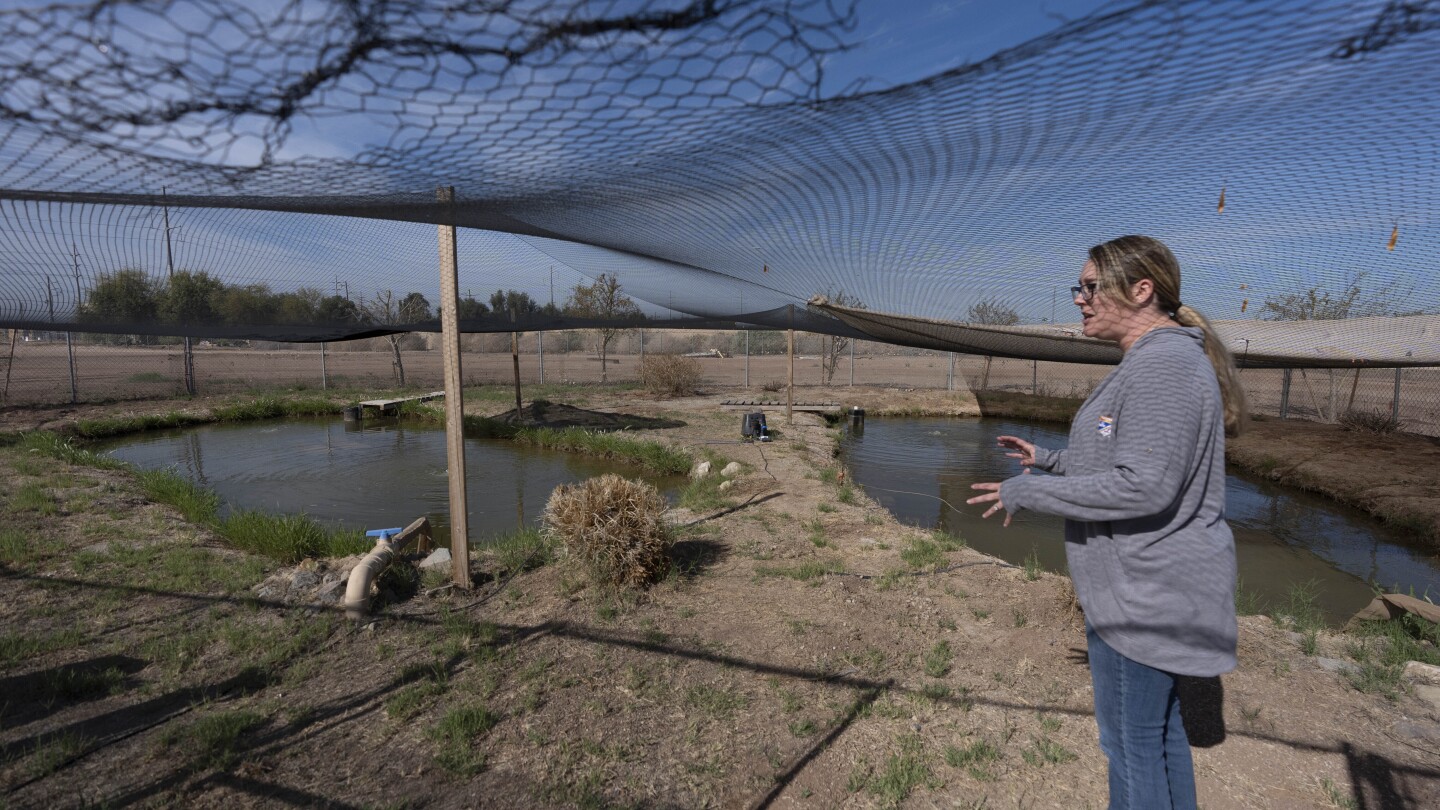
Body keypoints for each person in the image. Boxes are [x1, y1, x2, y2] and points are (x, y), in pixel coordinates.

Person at [966, 235, 1246, 810]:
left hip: (1143, 595)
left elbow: (1145, 485)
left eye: (1091, 286)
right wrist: (1048, 459)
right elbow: (1127, 459)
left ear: (1142, 290)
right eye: (1081, 287)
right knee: (1159, 737)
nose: (1080, 298)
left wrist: (1031, 491)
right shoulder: (1155, 361)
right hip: (1149, 591)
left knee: (1129, 746)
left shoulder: (1163, 366)